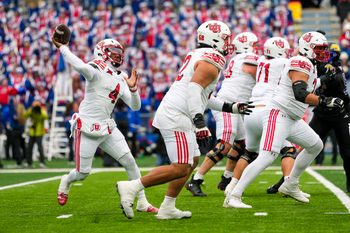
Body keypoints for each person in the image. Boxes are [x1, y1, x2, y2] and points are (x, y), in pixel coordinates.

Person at [116, 20, 252, 220]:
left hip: (179, 112)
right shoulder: (211, 58)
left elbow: (203, 95)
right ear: (213, 39)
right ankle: (132, 187)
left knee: (192, 162)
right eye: (224, 38)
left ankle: (168, 207)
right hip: (177, 114)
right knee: (180, 166)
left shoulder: (198, 54)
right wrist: (200, 123)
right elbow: (194, 90)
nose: (227, 43)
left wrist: (230, 107)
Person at [225, 31, 344, 208]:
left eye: (324, 49)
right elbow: (300, 93)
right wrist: (324, 101)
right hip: (279, 113)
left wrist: (325, 79)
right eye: (319, 49)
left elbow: (309, 83)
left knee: (316, 145)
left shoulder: (307, 64)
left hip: (291, 117)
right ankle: (234, 196)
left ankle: (290, 184)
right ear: (307, 48)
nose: (323, 53)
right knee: (266, 157)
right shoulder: (301, 62)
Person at [52, 36, 158, 213]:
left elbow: (135, 106)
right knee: (82, 173)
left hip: (107, 126)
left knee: (130, 162)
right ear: (102, 52)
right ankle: (66, 180)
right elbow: (79, 66)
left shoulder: (121, 76)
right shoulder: (96, 67)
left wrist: (133, 89)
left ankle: (142, 202)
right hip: (87, 126)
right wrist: (63, 48)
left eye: (119, 53)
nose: (117, 56)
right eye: (114, 52)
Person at [185, 32, 259, 197]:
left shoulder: (236, 58)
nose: (257, 48)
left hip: (235, 106)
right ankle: (195, 180)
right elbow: (251, 70)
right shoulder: (247, 57)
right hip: (227, 104)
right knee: (225, 144)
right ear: (247, 45)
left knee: (241, 144)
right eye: (255, 44)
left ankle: (226, 178)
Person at [309, 42, 350, 192]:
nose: (322, 55)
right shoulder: (316, 67)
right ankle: (287, 181)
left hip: (340, 114)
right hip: (322, 113)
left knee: (347, 152)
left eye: (325, 52)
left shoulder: (336, 71)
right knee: (307, 145)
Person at [24, 100, 48, 168]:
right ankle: (29, 162)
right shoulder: (31, 111)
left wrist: (40, 110)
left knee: (40, 148)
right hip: (32, 132)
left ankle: (42, 162)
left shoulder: (42, 112)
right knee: (29, 148)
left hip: (39, 132)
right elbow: (25, 115)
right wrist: (31, 110)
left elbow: (45, 116)